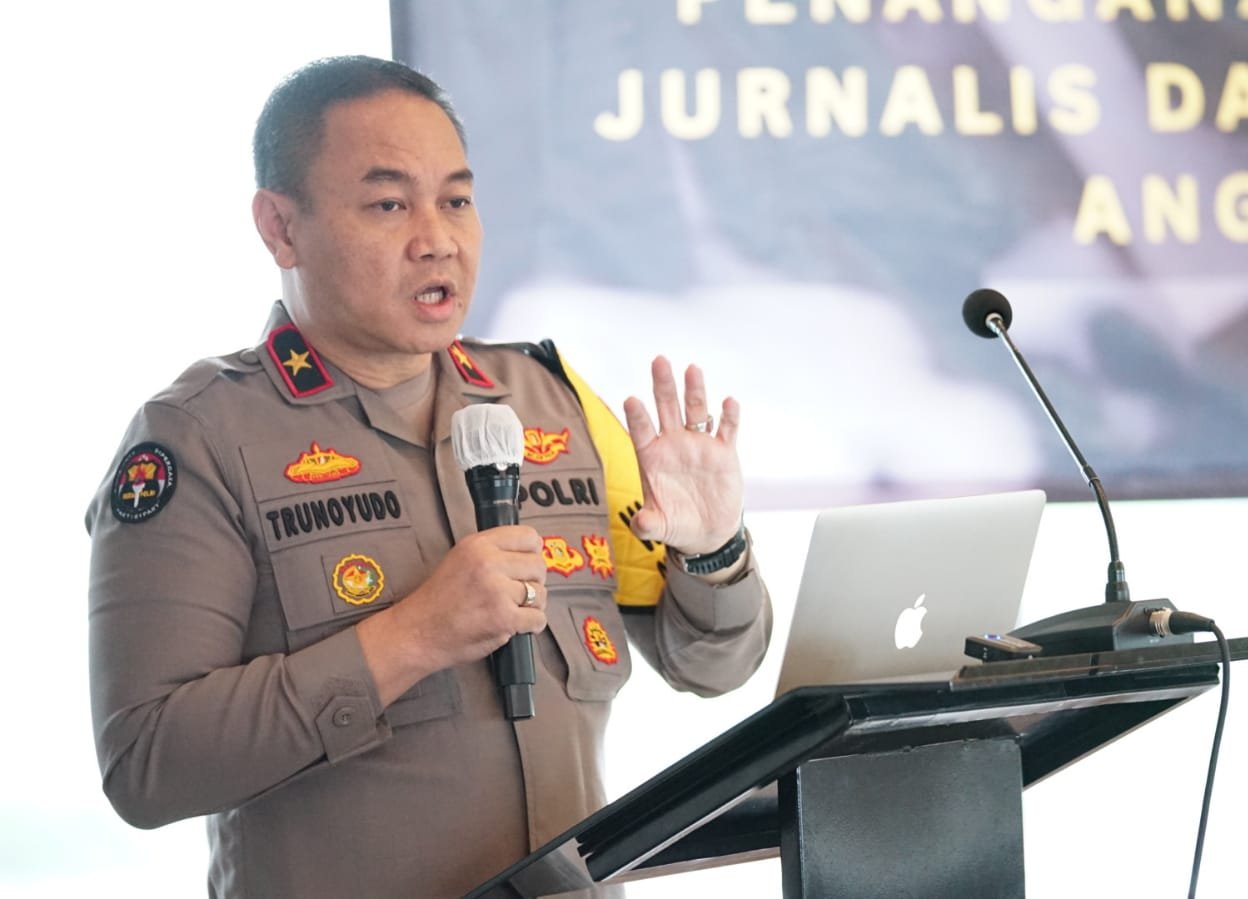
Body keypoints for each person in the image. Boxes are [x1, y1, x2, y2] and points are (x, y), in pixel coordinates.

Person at [85, 55, 772, 898]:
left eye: (456, 200)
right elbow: (146, 763)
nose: (437, 239)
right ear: (280, 227)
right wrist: (412, 636)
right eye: (388, 204)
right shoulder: (199, 438)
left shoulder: (552, 401)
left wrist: (712, 554)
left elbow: (711, 666)